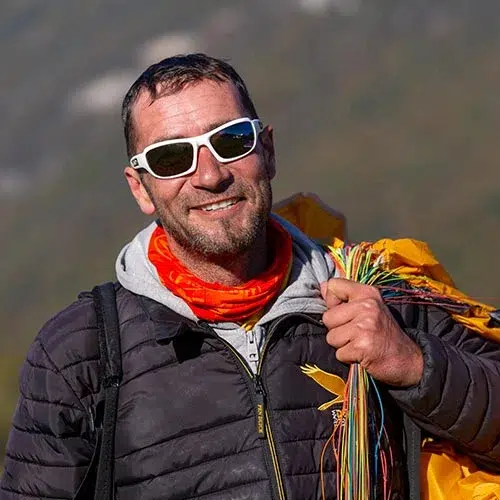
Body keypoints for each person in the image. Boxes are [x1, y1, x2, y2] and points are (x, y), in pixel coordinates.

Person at [1, 53, 499, 500]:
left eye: (231, 140)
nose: (210, 175)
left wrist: (413, 366)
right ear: (141, 188)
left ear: (269, 151)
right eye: (171, 157)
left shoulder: (376, 294)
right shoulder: (80, 354)